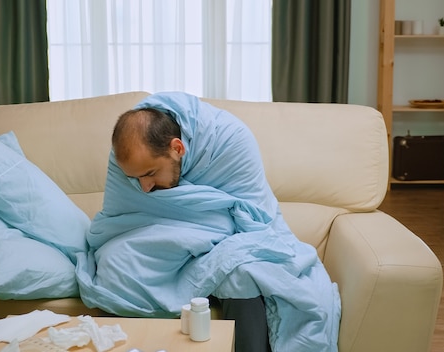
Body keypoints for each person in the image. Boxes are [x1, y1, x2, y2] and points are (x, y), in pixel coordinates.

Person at [78, 92, 340, 352]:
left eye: (150, 174)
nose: (144, 188)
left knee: (242, 274)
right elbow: (121, 219)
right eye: (135, 179)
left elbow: (251, 216)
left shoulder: (231, 139)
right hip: (156, 236)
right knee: (115, 266)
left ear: (177, 148)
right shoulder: (125, 154)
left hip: (227, 237)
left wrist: (198, 232)